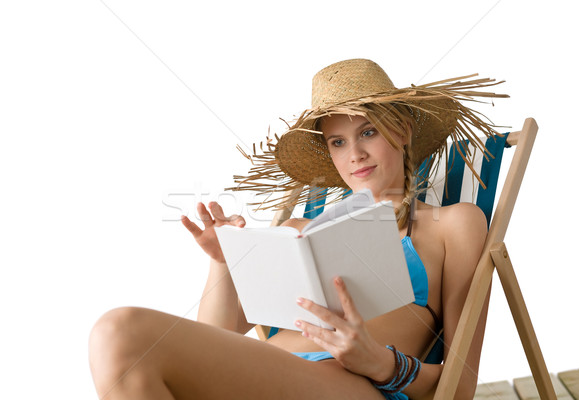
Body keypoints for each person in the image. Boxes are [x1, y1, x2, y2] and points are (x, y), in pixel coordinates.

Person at [88, 58, 507, 399]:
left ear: (402, 130)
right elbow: (212, 338)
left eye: (368, 131)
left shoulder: (453, 226)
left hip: (355, 387)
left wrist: (381, 363)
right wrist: (223, 263)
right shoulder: (299, 232)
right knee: (121, 343)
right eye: (338, 142)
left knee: (121, 330)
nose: (355, 154)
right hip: (264, 378)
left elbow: (459, 386)